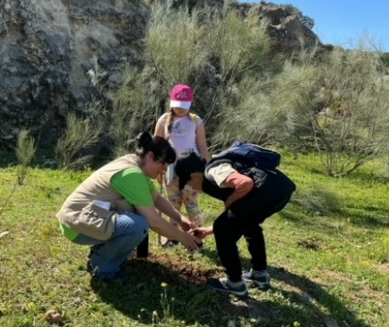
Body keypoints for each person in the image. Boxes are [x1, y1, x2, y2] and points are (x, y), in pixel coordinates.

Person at [56, 131, 202, 281]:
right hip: (76, 226)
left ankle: (101, 254)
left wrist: (181, 219)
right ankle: (103, 268)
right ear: (151, 156)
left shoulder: (135, 163)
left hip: (83, 218)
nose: (164, 170)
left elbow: (156, 198)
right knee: (139, 225)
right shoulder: (132, 174)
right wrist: (182, 237)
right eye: (163, 164)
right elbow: (154, 222)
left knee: (139, 213)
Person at [175, 152, 296, 298]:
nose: (190, 188)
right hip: (280, 191)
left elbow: (245, 183)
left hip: (267, 189)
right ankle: (260, 275)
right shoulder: (211, 178)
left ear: (194, 176)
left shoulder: (214, 170)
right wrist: (208, 230)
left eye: (188, 184)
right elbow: (238, 219)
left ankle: (235, 283)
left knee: (223, 228)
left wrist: (230, 202)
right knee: (250, 226)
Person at [154, 84, 210, 247]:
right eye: (177, 106)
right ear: (171, 103)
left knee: (192, 204)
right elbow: (156, 144)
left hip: (192, 171)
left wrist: (205, 169)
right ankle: (173, 238)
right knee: (172, 204)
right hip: (170, 169)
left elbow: (202, 146)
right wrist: (158, 168)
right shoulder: (164, 120)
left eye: (184, 107)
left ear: (190, 104)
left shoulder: (195, 121)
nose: (180, 110)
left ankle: (197, 237)